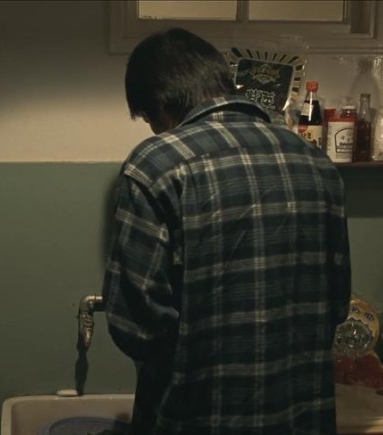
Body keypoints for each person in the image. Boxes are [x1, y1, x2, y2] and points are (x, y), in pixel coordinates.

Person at [102, 28, 351, 434]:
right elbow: (337, 304)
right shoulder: (316, 163)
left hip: (197, 418)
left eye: (148, 119)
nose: (154, 130)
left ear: (160, 103)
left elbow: (135, 323)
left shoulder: (156, 164)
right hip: (301, 417)